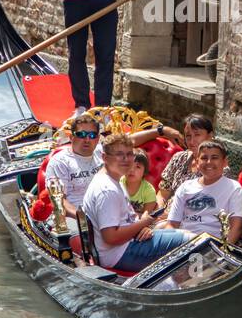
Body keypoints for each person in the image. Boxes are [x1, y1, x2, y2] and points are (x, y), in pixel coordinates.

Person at [79, 133, 190, 273]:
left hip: (127, 244)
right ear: (104, 157)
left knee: (185, 234)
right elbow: (111, 237)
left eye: (129, 154)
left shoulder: (115, 180)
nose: (126, 160)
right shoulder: (107, 190)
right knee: (190, 241)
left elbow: (126, 219)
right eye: (119, 154)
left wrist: (141, 227)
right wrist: (144, 222)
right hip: (121, 253)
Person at [162, 140, 242, 245]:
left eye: (214, 158)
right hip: (183, 244)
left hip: (213, 247)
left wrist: (222, 253)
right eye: (204, 158)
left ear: (225, 162)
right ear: (197, 162)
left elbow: (237, 227)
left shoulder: (234, 189)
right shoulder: (185, 187)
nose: (209, 162)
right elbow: (172, 224)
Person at [156, 114, 216, 207]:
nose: (192, 141)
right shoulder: (179, 158)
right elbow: (163, 193)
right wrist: (159, 211)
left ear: (210, 136)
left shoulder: (217, 167)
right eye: (188, 136)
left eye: (197, 135)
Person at [122, 149, 158, 216]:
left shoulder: (149, 191)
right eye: (129, 165)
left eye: (137, 167)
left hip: (139, 223)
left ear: (144, 171)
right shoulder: (118, 183)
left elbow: (146, 216)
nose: (132, 170)